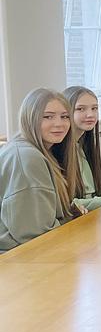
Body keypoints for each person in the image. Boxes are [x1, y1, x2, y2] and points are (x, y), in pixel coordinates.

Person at [0, 89, 80, 252]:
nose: (59, 124)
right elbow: (34, 235)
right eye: (47, 117)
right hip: (19, 259)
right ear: (29, 118)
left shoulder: (40, 150)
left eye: (64, 117)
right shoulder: (27, 157)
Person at [64, 86, 101, 211]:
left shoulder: (82, 145)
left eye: (94, 108)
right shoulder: (62, 152)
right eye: (81, 109)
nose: (90, 114)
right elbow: (71, 204)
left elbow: (94, 191)